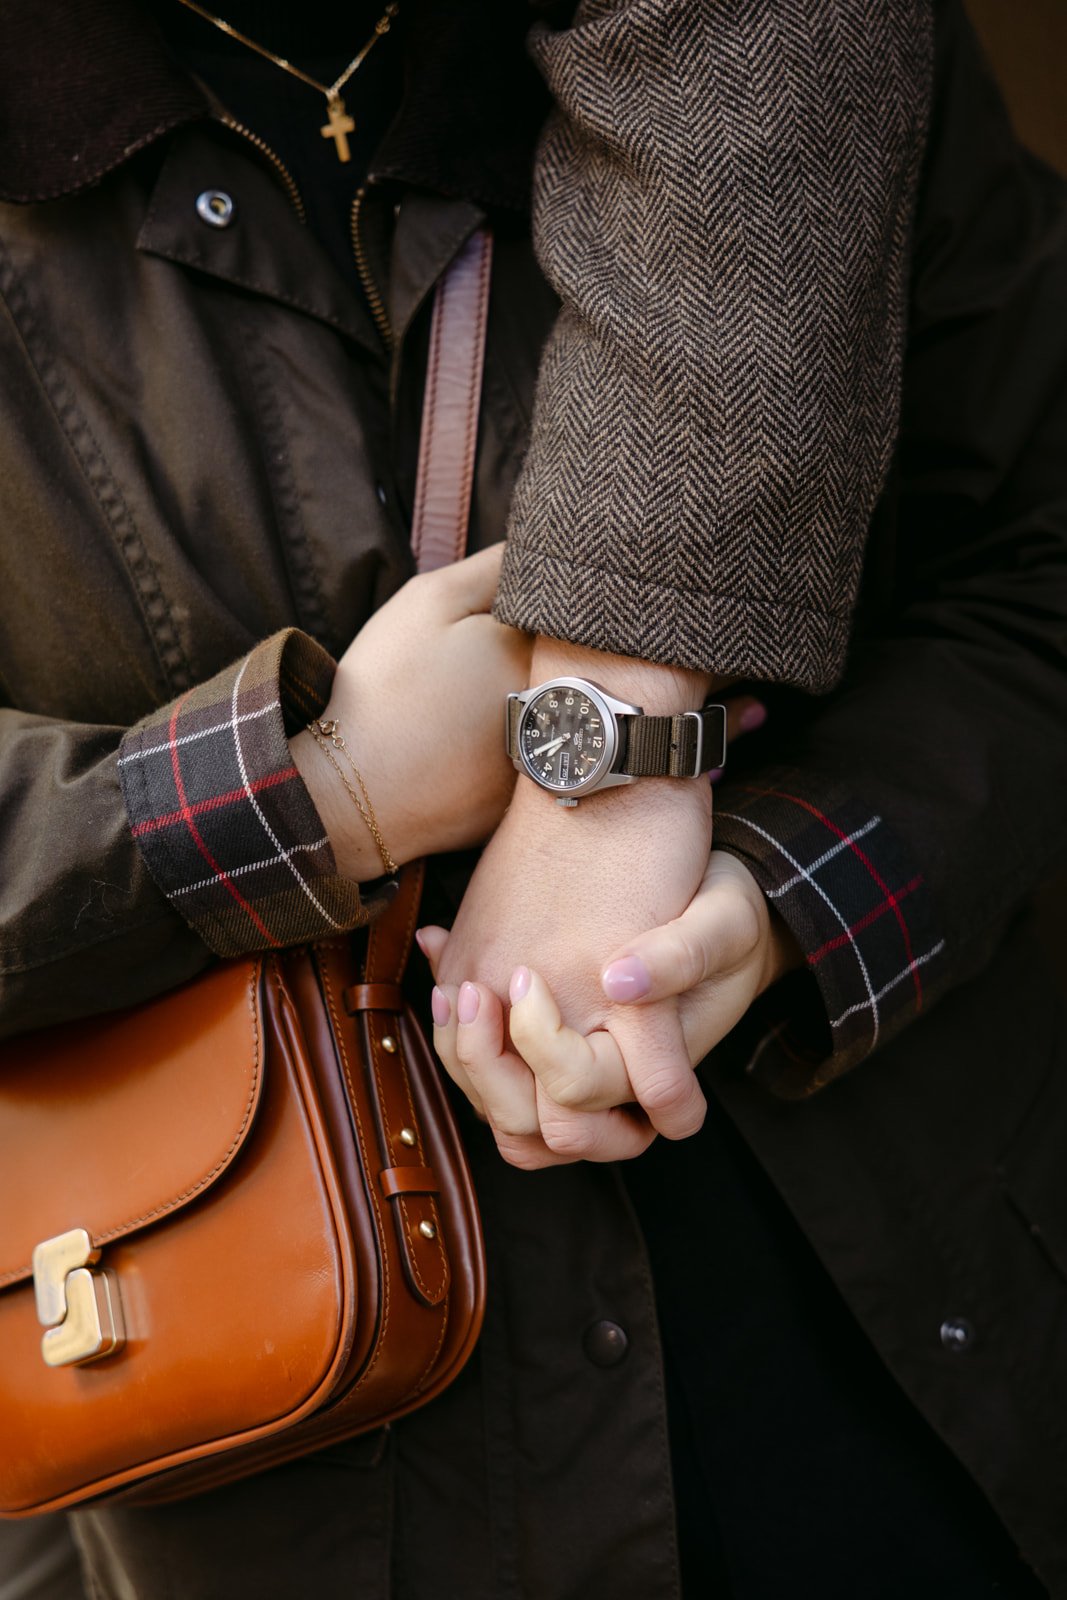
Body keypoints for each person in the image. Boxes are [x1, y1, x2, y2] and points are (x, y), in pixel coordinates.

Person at [0, 3, 1064, 1598]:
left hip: (920, 1362)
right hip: (271, 1477)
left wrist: (775, 908)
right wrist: (320, 788)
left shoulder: (807, 53)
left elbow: (1033, 562)